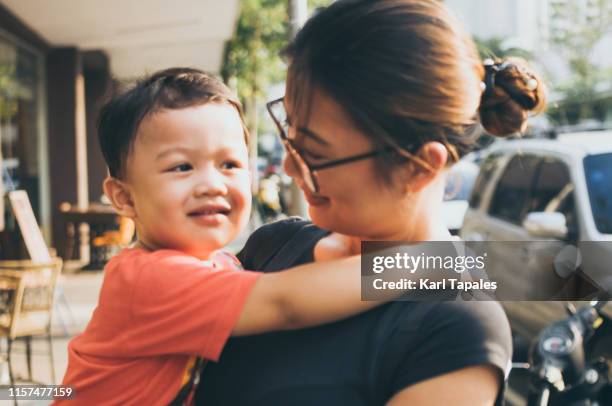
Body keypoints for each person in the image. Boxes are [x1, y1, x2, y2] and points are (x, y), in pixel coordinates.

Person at [196, 0, 546, 405]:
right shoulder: (274, 245)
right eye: (290, 131)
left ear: (419, 166)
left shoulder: (456, 327)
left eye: (315, 152)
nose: (290, 167)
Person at [57, 68, 407, 405]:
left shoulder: (222, 263)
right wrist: (445, 264)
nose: (212, 184)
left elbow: (330, 262)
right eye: (182, 167)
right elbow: (286, 303)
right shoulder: (150, 279)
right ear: (125, 197)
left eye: (229, 164)